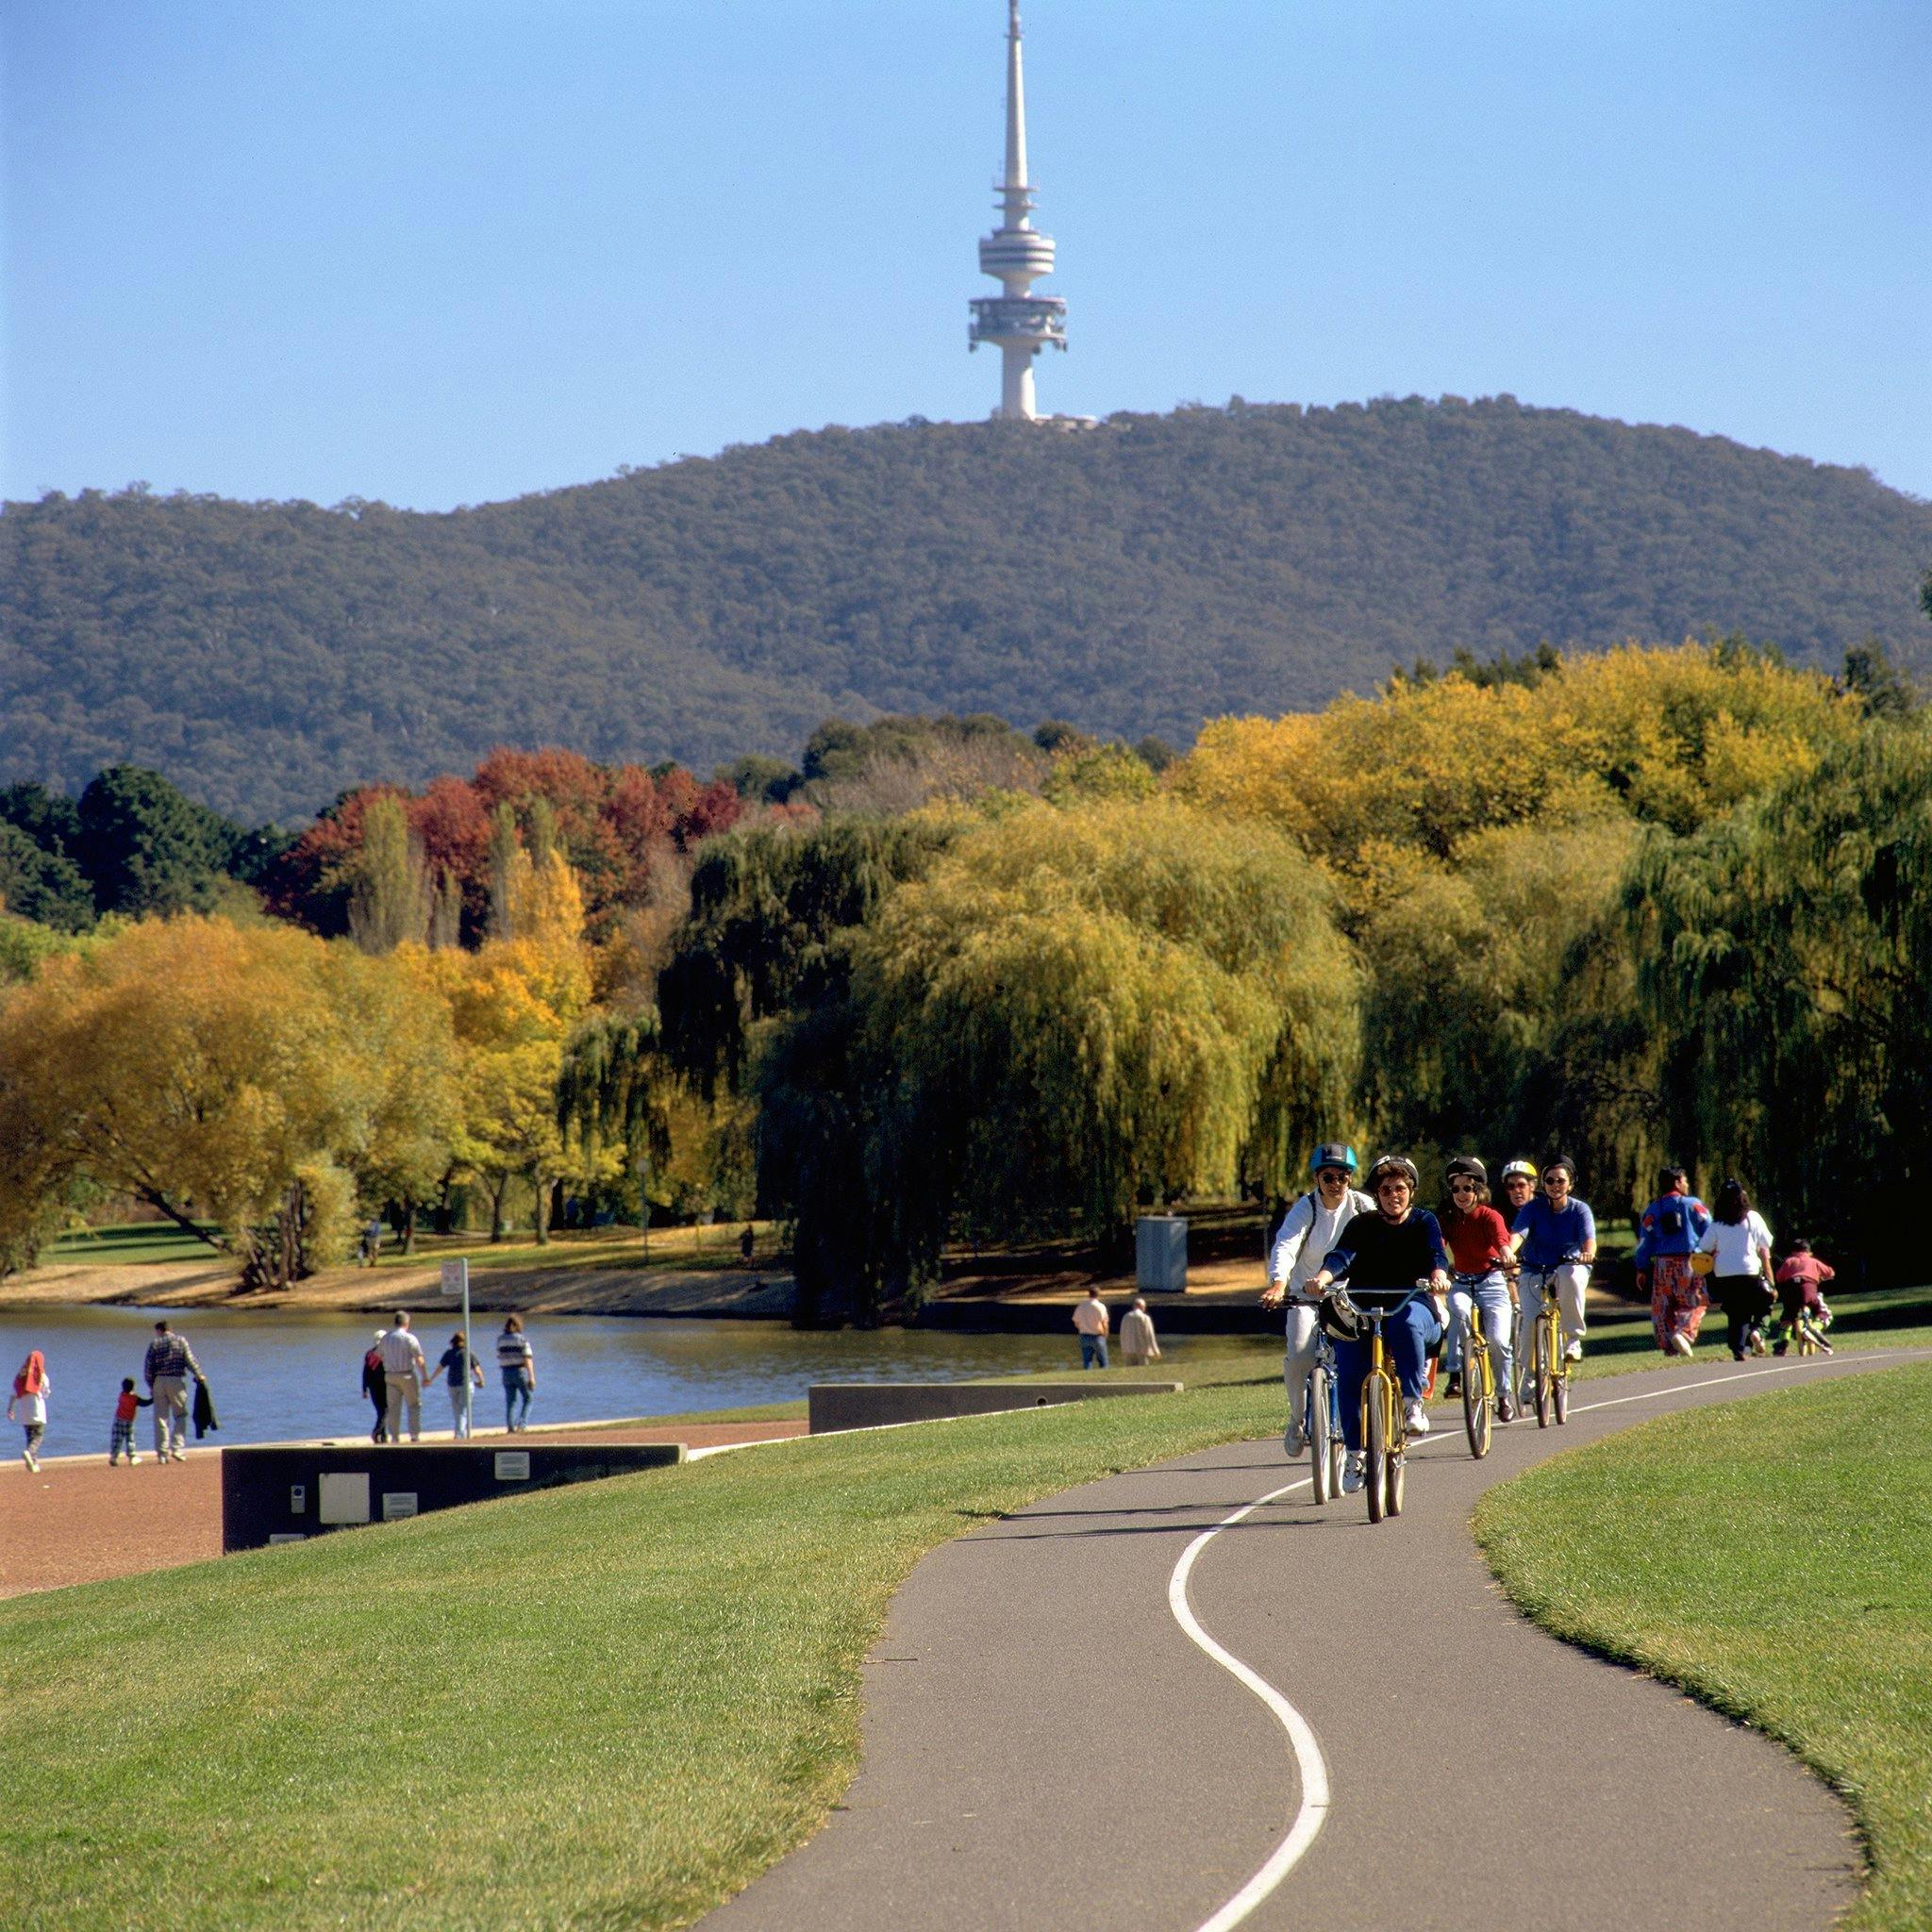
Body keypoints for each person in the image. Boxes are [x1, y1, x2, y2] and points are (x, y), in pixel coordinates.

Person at [1301, 1154, 1451, 1494]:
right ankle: (1354, 1455)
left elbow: (1436, 1255)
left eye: (1399, 1188)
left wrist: (1439, 1275)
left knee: (1406, 1323)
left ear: (1410, 1191)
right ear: (1377, 1193)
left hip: (1412, 1303)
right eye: (1385, 1189)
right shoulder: (1363, 1224)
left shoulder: (1425, 1221)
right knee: (1351, 1375)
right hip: (1364, 1310)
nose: (1392, 1195)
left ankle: (1413, 1404)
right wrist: (1322, 1278)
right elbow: (1341, 1256)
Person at [1259, 1142, 1374, 1457]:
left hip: (1349, 1296)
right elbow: (1286, 1244)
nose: (1336, 1184)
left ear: (1351, 1178)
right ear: (1317, 1179)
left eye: (1343, 1176)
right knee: (1299, 1355)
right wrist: (1279, 1283)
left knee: (1357, 1361)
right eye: (1328, 1177)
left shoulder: (1364, 1206)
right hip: (1304, 1295)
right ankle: (1297, 1420)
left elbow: (1382, 1242)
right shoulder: (1306, 1208)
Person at [1437, 1157, 1519, 1423]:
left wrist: (1507, 1254)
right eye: (1456, 1189)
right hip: (1461, 1281)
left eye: (1467, 1188)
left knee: (1497, 1340)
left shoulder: (1490, 1216)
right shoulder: (1448, 1218)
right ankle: (1455, 1376)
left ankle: (1504, 1395)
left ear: (1479, 1190)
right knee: (1458, 1312)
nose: (1461, 1194)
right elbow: (1437, 1246)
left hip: (1492, 1281)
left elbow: (1501, 1240)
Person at [1507, 1156, 1596, 1399]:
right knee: (1529, 1324)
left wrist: (1588, 1254)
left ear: (1571, 1183)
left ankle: (1573, 1341)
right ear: (1543, 1184)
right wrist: (1508, 1251)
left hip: (1570, 1266)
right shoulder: (1532, 1208)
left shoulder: (1580, 1210)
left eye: (1560, 1180)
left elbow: (1589, 1239)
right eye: (1549, 1180)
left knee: (1570, 1274)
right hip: (1534, 1270)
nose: (1555, 1185)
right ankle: (1528, 1379)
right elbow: (1518, 1234)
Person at [1633, 1165, 1712, 1358]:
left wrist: (1641, 1267)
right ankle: (1684, 1333)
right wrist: (1711, 1253)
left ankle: (1668, 1344)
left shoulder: (1652, 1210)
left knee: (1663, 1306)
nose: (1687, 1184)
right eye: (1684, 1181)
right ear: (1677, 1182)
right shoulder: (1694, 1205)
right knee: (1696, 1301)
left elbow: (1644, 1241)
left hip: (1662, 1264)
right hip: (1689, 1262)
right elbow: (1709, 1230)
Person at [1697, 1180, 1774, 1360]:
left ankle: (1739, 1348)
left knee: (1736, 1311)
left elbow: (1704, 1247)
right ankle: (1758, 1331)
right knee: (1765, 1302)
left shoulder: (1717, 1224)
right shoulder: (1753, 1218)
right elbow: (1766, 1243)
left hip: (1724, 1273)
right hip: (1750, 1270)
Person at [142, 1320, 203, 1464]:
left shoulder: (155, 1344)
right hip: (176, 1380)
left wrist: (151, 1385)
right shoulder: (181, 1341)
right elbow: (190, 1360)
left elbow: (148, 1367)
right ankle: (177, 1449)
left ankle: (162, 1454)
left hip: (159, 1381)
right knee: (180, 1415)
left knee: (161, 1419)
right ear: (170, 1329)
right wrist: (198, 1374)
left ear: (159, 1330)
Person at [1774, 1240, 1835, 1356]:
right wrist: (1820, 1277)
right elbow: (1830, 1272)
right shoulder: (1813, 1261)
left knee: (1787, 1318)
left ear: (1793, 1252)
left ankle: (1781, 1345)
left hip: (1790, 1293)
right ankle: (1814, 1328)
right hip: (1808, 1291)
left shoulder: (1788, 1261)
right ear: (1809, 1252)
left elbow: (1779, 1277)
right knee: (1824, 1313)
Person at [377, 1312, 429, 1442]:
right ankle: (414, 1435)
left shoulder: (386, 1338)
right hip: (407, 1374)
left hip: (390, 1375)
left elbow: (377, 1355)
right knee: (413, 1405)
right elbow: (419, 1359)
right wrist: (425, 1376)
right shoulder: (409, 1338)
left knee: (393, 1408)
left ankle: (395, 1437)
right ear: (406, 1324)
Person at [437, 1330, 486, 1437]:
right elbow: (477, 1369)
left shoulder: (449, 1353)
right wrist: (481, 1380)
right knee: (463, 1411)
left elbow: (439, 1368)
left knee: (457, 1412)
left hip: (452, 1385)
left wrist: (430, 1379)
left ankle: (460, 1433)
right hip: (465, 1384)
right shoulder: (468, 1353)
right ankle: (459, 1435)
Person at [8, 1350, 50, 1473]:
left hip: (25, 1413)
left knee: (30, 1437)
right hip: (38, 1411)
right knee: (38, 1436)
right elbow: (46, 1393)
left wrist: (10, 1409)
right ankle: (30, 1453)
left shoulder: (21, 1377)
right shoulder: (42, 1376)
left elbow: (14, 1394)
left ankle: (33, 1464)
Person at [497, 1314, 537, 1429]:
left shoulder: (500, 1340)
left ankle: (510, 1427)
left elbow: (499, 1356)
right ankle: (522, 1424)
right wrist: (532, 1377)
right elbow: (527, 1359)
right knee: (528, 1398)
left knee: (511, 1401)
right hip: (519, 1371)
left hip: (505, 1372)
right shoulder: (522, 1339)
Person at [108, 1376, 153, 1465]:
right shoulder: (134, 1398)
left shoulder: (121, 1396)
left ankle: (114, 1457)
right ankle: (131, 1457)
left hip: (118, 1420)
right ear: (133, 1387)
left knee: (116, 1439)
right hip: (128, 1422)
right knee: (130, 1439)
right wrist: (153, 1398)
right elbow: (145, 1403)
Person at [1073, 1288, 1110, 1369]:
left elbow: (1076, 1322)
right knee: (1103, 1361)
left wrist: (1083, 1327)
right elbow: (1104, 1322)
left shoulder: (1081, 1306)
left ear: (1089, 1294)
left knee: (1087, 1361)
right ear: (1098, 1294)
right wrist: (1106, 1334)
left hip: (1084, 1336)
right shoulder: (1101, 1306)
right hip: (1098, 1336)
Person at [361, 1331, 389, 1442]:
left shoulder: (369, 1354)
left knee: (381, 1411)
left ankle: (383, 1436)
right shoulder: (387, 1354)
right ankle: (376, 1431)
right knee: (386, 1411)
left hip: (373, 1387)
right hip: (385, 1385)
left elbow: (365, 1372)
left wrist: (364, 1388)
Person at [1119, 1297, 1161, 1367]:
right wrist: (1156, 1350)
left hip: (1129, 1349)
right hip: (1142, 1349)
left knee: (1130, 1372)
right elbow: (1149, 1335)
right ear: (1142, 1307)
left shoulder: (1126, 1317)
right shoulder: (1145, 1318)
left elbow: (1122, 1334)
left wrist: (1123, 1348)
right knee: (1142, 1371)